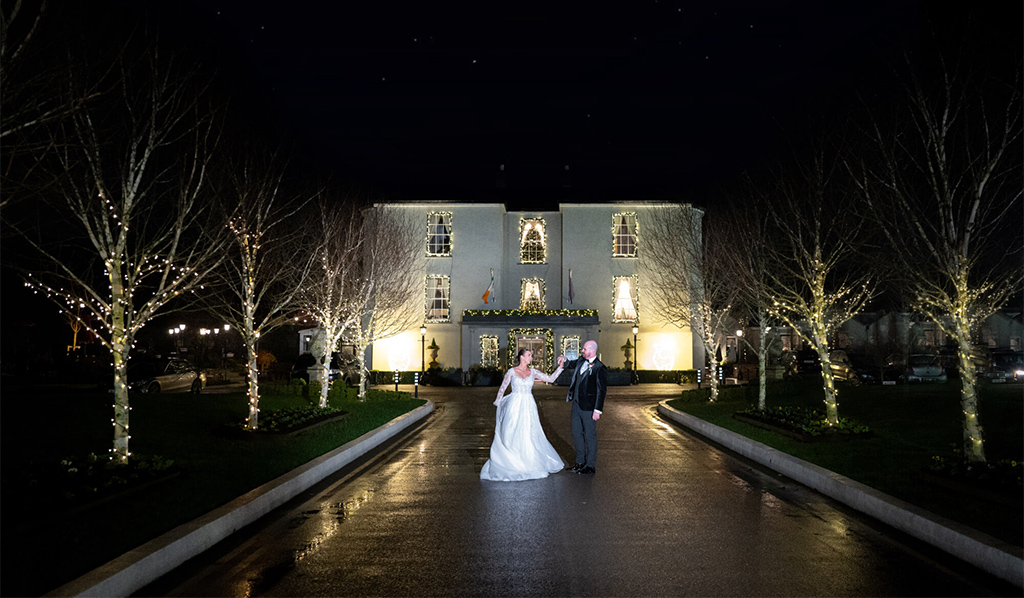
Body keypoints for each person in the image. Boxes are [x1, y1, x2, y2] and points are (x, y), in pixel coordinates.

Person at [480, 349, 565, 481]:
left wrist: (560, 367)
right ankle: (512, 460)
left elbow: (550, 378)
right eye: (529, 355)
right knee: (512, 430)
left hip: (528, 405)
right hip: (515, 404)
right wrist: (498, 401)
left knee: (529, 431)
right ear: (522, 357)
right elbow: (503, 387)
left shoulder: (533, 372)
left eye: (531, 355)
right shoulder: (512, 372)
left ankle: (529, 460)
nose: (531, 357)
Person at [558, 340, 606, 474]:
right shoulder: (580, 361)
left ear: (592, 350)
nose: (582, 351)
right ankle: (579, 462)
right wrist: (564, 359)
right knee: (576, 434)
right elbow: (570, 364)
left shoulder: (600, 368)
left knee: (590, 436)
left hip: (590, 408)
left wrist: (597, 410)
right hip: (577, 405)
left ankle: (590, 465)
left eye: (584, 349)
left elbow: (601, 391)